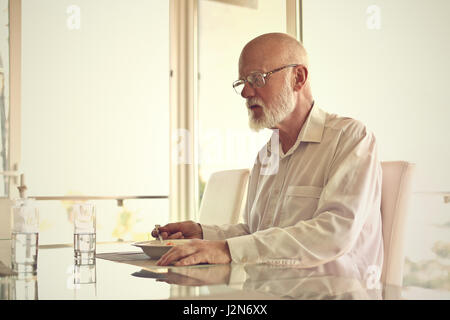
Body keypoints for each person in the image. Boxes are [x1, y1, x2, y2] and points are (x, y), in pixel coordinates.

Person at [153, 32, 383, 280]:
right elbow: (255, 232)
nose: (245, 93)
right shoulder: (266, 155)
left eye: (257, 78)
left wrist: (227, 249)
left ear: (298, 77)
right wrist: (203, 234)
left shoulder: (350, 138)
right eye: (242, 82)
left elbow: (334, 233)